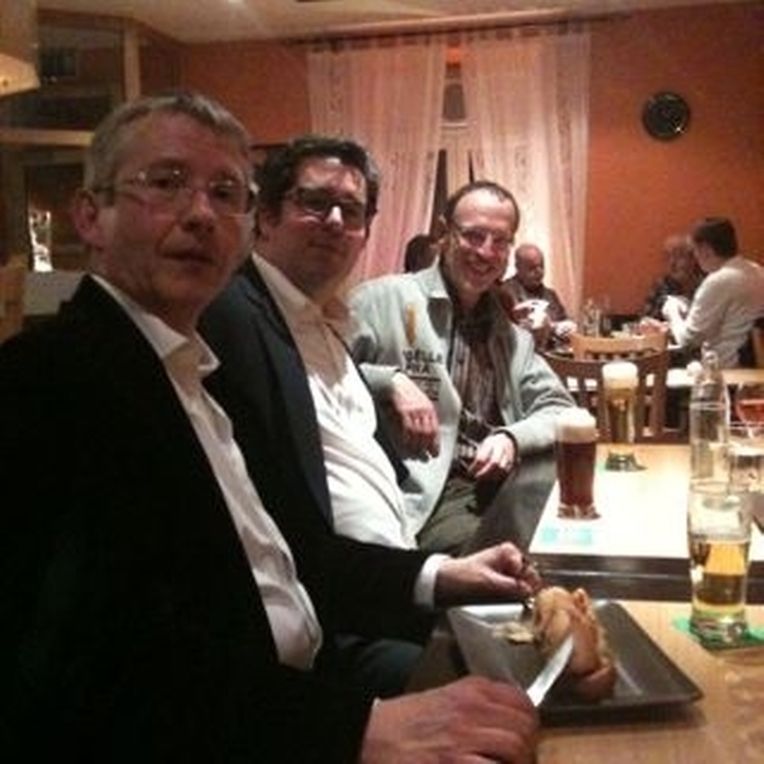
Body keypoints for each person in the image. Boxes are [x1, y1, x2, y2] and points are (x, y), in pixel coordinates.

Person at [0, 93, 541, 763]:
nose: (201, 214)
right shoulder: (42, 385)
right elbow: (75, 671)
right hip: (258, 727)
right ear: (91, 217)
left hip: (300, 685)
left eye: (226, 193)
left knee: (535, 697)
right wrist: (354, 730)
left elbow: (299, 554)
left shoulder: (193, 368)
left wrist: (441, 573)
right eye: (166, 183)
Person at [200, 135, 420, 697]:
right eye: (315, 202)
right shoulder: (232, 318)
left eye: (352, 210)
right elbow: (279, 528)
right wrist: (432, 578)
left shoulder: (325, 324)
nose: (335, 222)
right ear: (266, 216)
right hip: (335, 620)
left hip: (390, 585)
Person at [348, 181, 574, 554]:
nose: (486, 252)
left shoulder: (510, 335)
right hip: (430, 497)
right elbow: (318, 377)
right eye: (473, 236)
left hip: (505, 485)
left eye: (500, 241)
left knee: (582, 536)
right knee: (517, 562)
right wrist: (390, 381)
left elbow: (561, 409)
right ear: (444, 234)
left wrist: (511, 437)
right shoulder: (381, 300)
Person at [659, 217, 764, 367]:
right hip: (756, 368)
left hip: (729, 371)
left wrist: (672, 311)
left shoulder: (718, 280)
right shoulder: (758, 271)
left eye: (694, 250)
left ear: (705, 249)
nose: (695, 257)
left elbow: (687, 340)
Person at [498, 242, 576, 347]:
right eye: (532, 268)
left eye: (541, 266)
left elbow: (563, 321)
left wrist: (567, 327)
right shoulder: (504, 293)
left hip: (551, 352)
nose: (539, 271)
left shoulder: (550, 295)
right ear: (518, 267)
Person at [642, 234, 704, 320]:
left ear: (693, 259)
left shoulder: (707, 284)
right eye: (667, 257)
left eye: (678, 256)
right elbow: (647, 319)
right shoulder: (662, 285)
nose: (672, 263)